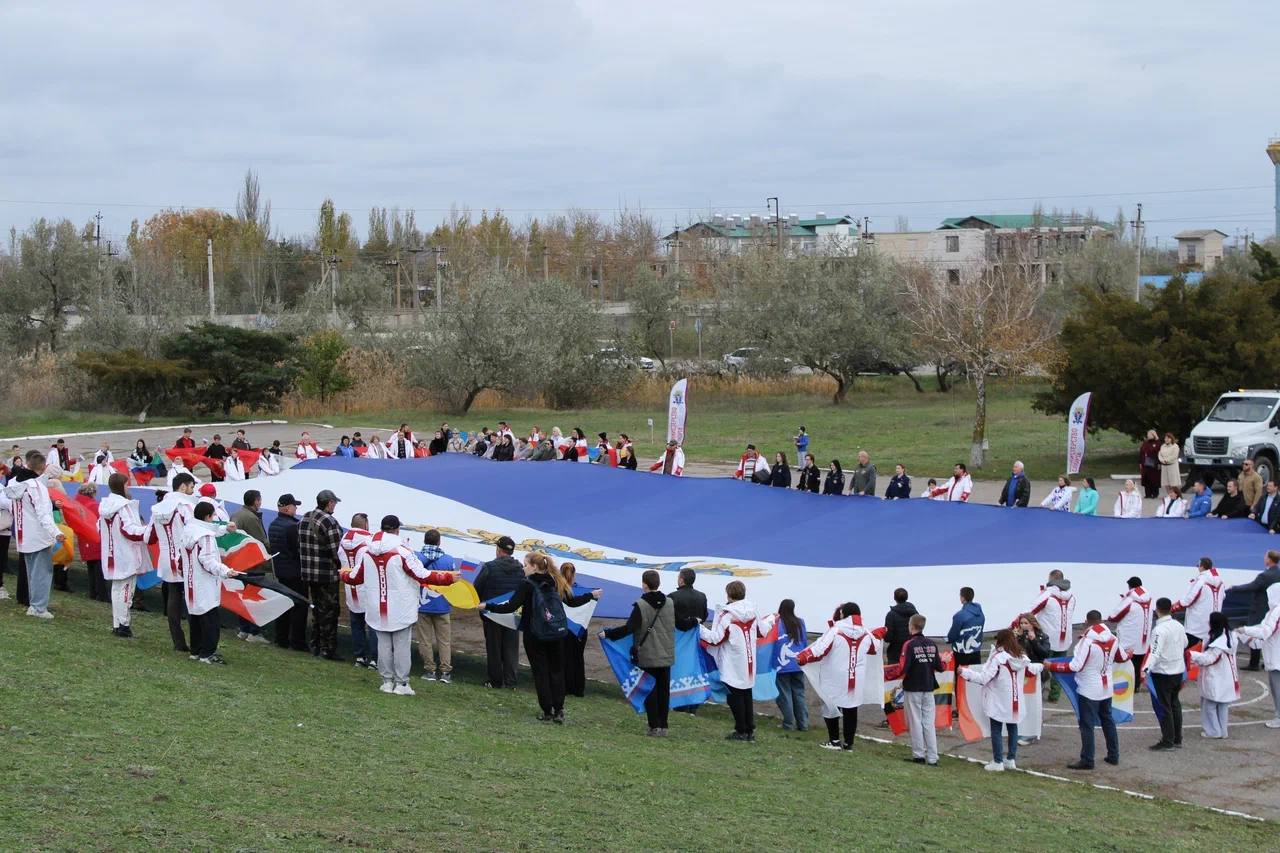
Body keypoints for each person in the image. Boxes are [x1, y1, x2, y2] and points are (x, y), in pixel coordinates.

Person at [343, 515, 456, 695]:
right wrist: (448, 578)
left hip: (377, 606)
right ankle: (401, 683)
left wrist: (343, 574)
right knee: (401, 645)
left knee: (384, 645)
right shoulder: (403, 551)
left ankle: (387, 681)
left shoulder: (368, 551)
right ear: (396, 530)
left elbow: (355, 577)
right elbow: (423, 575)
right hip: (401, 607)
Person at [482, 552, 600, 722]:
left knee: (541, 673)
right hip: (557, 633)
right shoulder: (555, 580)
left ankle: (547, 711)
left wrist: (488, 606)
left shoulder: (526, 585)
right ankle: (559, 709)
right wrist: (591, 595)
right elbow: (572, 602)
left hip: (534, 634)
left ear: (534, 566)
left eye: (526, 565)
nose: (523, 568)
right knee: (557, 671)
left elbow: (511, 607)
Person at [1047, 612, 1128, 770]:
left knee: (1087, 725)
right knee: (1108, 721)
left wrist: (1052, 666)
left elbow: (1075, 666)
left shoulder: (1087, 641)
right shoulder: (1113, 638)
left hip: (1089, 689)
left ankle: (1087, 759)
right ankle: (1114, 755)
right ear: (1102, 621)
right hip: (1106, 687)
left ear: (1086, 622)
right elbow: (1122, 657)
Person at [700, 580, 777, 741]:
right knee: (746, 694)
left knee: (734, 696)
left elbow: (715, 639)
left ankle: (741, 729)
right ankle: (749, 729)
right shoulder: (752, 610)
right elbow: (762, 631)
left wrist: (699, 628)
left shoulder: (727, 615)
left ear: (728, 594)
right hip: (748, 659)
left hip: (732, 661)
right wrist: (771, 619)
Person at [602, 570, 677, 735]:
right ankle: (664, 725)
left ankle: (654, 725)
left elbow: (629, 628)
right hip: (666, 654)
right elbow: (677, 623)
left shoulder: (641, 606)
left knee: (650, 689)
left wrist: (608, 634)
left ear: (644, 584)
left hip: (648, 654)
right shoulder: (670, 603)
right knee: (664, 690)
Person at [796, 601, 877, 751]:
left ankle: (834, 741)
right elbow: (874, 648)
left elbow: (820, 649)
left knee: (830, 705)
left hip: (835, 676)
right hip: (855, 678)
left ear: (843, 614)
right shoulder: (866, 633)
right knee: (851, 709)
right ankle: (848, 744)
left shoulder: (836, 630)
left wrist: (803, 657)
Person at [960, 628, 1040, 771]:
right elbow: (1032, 670)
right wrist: (1042, 666)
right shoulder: (1022, 657)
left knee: (996, 729)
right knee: (1013, 727)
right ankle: (1011, 759)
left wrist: (964, 672)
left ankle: (998, 761)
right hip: (1016, 701)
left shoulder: (998, 658)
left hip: (998, 699)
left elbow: (984, 678)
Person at [183, 500, 245, 664]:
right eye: (213, 516)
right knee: (210, 620)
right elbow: (208, 560)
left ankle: (196, 651)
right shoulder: (206, 537)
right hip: (205, 582)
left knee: (195, 616)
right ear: (207, 516)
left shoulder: (189, 530)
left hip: (191, 581)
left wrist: (225, 529)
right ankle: (207, 654)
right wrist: (225, 571)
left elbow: (209, 531)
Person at [5, 450, 64, 619]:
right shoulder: (36, 488)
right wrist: (56, 532)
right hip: (38, 535)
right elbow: (43, 514)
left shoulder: (14, 483)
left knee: (32, 572)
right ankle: (38, 607)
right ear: (43, 467)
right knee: (42, 572)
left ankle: (34, 604)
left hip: (24, 535)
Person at [883, 614, 943, 765]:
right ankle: (933, 757)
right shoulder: (931, 644)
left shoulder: (909, 645)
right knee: (928, 723)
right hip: (929, 688)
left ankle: (918, 755)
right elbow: (940, 667)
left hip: (913, 687)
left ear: (911, 626)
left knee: (915, 721)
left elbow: (903, 667)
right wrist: (945, 661)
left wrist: (887, 674)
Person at [97, 473, 150, 637]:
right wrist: (147, 530)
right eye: (128, 485)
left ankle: (117, 623)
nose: (129, 488)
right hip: (126, 553)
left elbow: (99, 527)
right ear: (122, 486)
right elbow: (129, 530)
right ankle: (123, 625)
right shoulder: (123, 507)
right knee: (126, 590)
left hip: (112, 552)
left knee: (117, 589)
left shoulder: (105, 506)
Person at [152, 476, 197, 652]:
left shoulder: (157, 509)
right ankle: (196, 642)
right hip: (183, 558)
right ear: (183, 487)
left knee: (173, 597)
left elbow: (149, 536)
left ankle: (178, 642)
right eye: (192, 486)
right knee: (193, 598)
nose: (193, 490)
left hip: (166, 559)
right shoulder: (186, 507)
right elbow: (194, 530)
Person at [473, 535, 525, 688]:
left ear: (498, 549)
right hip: (513, 614)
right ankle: (511, 681)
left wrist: (482, 604)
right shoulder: (521, 569)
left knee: (494, 648)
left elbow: (477, 588)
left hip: (492, 613)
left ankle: (495, 681)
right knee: (511, 648)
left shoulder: (489, 567)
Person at [299, 489, 344, 660]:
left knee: (317, 610)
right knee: (330, 612)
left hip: (309, 572)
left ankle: (315, 645)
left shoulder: (305, 517)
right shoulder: (329, 521)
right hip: (326, 573)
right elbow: (336, 550)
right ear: (329, 503)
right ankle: (328, 649)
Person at [414, 529, 458, 683]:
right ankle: (445, 673)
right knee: (444, 640)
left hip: (422, 604)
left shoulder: (416, 558)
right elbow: (454, 582)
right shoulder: (448, 560)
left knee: (425, 640)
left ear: (425, 541)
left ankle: (430, 670)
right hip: (442, 605)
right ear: (439, 542)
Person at [1144, 597, 1188, 750]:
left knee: (1165, 707)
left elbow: (1154, 652)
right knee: (1175, 704)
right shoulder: (1178, 625)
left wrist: (1146, 669)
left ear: (1157, 610)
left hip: (1163, 672)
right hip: (1178, 670)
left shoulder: (1159, 630)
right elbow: (1185, 643)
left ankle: (1168, 739)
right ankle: (1177, 738)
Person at [1235, 584, 1280, 729]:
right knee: (1275, 688)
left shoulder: (1277, 611)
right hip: (1273, 654)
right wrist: (1245, 634)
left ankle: (1279, 717)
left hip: (1276, 657)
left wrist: (1245, 630)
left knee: (1277, 689)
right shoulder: (1272, 612)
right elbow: (1262, 629)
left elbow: (1265, 632)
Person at [230, 490, 271, 644]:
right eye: (259, 500)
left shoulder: (237, 514)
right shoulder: (251, 518)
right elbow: (261, 541)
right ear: (255, 501)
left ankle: (244, 629)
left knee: (244, 596)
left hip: (240, 562)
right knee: (254, 597)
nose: (260, 503)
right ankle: (254, 631)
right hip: (252, 564)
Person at [1028, 569, 1076, 701]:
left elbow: (1030, 611)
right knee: (1058, 669)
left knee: (1039, 665)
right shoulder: (1072, 597)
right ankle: (1054, 696)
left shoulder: (1047, 595)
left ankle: (1037, 693)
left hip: (1047, 640)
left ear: (1051, 580)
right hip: (1065, 639)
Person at [1228, 550, 1280, 670]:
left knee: (1254, 632)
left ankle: (1254, 663)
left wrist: (1234, 588)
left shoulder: (1265, 576)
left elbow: (1252, 586)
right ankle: (1270, 660)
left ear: (1269, 559)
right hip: (1274, 609)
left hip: (1261, 609)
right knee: (1274, 636)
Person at [1190, 612, 1239, 739]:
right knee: (1222, 705)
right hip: (1228, 677)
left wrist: (1192, 655)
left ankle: (1213, 731)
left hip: (1217, 678)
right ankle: (1223, 731)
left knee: (1209, 706)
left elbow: (1208, 659)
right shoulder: (1229, 636)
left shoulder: (1218, 643)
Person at [269, 494, 308, 652]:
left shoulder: (273, 524)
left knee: (283, 604)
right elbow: (297, 550)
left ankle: (281, 637)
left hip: (281, 570)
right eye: (294, 506)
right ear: (286, 507)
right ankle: (297, 641)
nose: (296, 509)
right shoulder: (292, 527)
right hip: (295, 571)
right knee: (299, 605)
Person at [339, 513, 374, 667]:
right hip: (366, 586)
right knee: (373, 624)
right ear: (365, 524)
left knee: (356, 624)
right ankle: (374, 658)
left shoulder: (343, 539)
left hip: (350, 585)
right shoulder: (369, 541)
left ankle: (359, 656)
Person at [771, 598, 809, 732]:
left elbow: (772, 643)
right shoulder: (800, 623)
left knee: (784, 694)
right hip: (798, 663)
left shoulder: (776, 623)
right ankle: (803, 724)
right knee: (799, 693)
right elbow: (804, 642)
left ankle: (788, 723)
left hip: (782, 665)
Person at [1106, 576, 1153, 679]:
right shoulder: (1149, 599)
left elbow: (1113, 617)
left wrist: (1122, 601)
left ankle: (1127, 688)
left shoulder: (1130, 600)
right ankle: (1137, 685)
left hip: (1129, 640)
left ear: (1129, 586)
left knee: (1126, 667)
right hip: (1144, 641)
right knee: (1138, 664)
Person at [1172, 556, 1224, 647]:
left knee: (1189, 653)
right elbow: (1223, 596)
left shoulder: (1201, 581)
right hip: (1213, 624)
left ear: (1202, 567)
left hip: (1197, 626)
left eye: (1198, 566)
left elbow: (1189, 600)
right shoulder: (1220, 582)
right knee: (1207, 653)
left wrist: (1174, 607)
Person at [559, 562, 589, 697]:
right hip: (580, 628)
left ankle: (565, 686)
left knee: (564, 657)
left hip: (564, 628)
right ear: (574, 574)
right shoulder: (583, 592)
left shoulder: (557, 590)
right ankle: (578, 688)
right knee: (578, 657)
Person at [947, 587, 985, 691]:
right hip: (976, 651)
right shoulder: (980, 613)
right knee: (975, 679)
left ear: (962, 598)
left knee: (961, 679)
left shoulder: (959, 616)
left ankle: (961, 705)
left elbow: (952, 636)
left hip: (961, 653)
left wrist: (948, 639)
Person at [73, 482, 106, 602]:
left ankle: (93, 593)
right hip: (95, 539)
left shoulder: (78, 504)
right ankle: (102, 595)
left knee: (91, 568)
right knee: (99, 570)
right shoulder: (94, 505)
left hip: (84, 539)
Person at [883, 588, 918, 665]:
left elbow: (888, 638)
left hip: (896, 654)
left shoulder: (891, 615)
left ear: (894, 598)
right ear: (907, 597)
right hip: (913, 651)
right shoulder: (915, 613)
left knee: (895, 676)